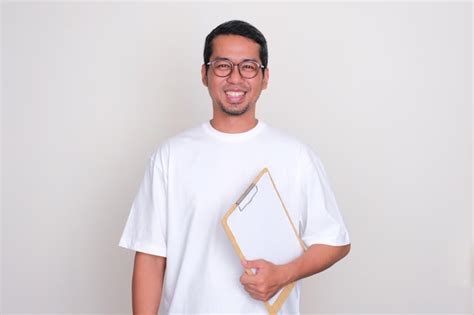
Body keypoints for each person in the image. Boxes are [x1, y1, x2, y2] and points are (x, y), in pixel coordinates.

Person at [119, 20, 351, 314]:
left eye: (249, 67)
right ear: (205, 74)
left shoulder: (296, 156)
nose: (236, 78)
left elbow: (335, 242)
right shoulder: (170, 156)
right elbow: (151, 258)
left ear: (265, 77)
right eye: (223, 66)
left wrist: (283, 274)